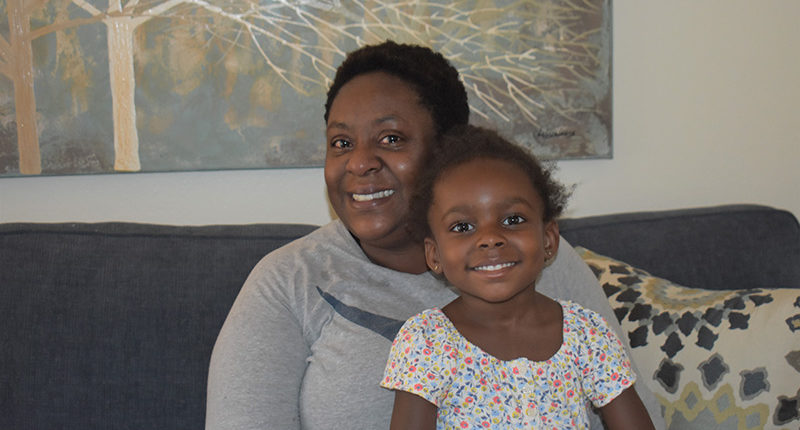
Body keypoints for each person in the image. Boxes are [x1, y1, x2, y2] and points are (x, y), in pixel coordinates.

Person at [206, 40, 664, 429]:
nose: (359, 162)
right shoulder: (289, 282)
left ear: (446, 152)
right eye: (341, 143)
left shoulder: (537, 260)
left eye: (391, 139)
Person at [381, 125, 655, 429]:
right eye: (462, 227)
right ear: (434, 255)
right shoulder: (426, 341)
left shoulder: (586, 334)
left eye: (512, 220)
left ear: (549, 240)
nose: (490, 238)